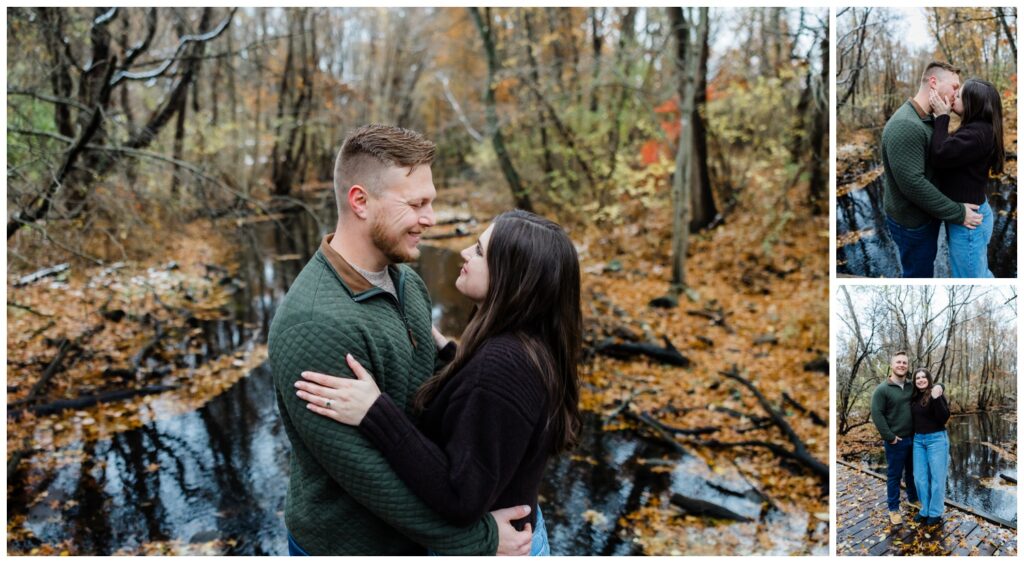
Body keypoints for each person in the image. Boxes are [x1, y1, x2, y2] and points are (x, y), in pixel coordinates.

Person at [269, 125, 532, 556]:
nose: (430, 219)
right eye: (417, 204)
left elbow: (428, 400)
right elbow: (367, 475)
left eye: (431, 202)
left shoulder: (406, 282)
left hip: (413, 538)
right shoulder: (314, 323)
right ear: (360, 201)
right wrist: (477, 539)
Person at [294, 209, 583, 557]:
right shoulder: (532, 342)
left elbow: (459, 496)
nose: (464, 253)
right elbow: (490, 409)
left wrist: (376, 413)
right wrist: (451, 353)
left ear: (512, 278)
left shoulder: (502, 367)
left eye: (478, 251)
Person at [880, 61, 983, 278]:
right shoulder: (905, 125)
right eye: (955, 87)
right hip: (912, 224)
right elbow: (913, 185)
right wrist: (957, 212)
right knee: (918, 275)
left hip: (927, 215)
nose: (957, 94)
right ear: (933, 83)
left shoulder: (926, 119)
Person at [928, 78, 1005, 278]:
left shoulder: (977, 134)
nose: (954, 96)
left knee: (970, 278)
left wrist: (942, 117)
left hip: (969, 223)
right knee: (978, 273)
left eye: (960, 95)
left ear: (973, 104)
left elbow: (940, 155)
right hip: (974, 213)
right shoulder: (981, 129)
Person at [870, 351, 920, 525]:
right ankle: (893, 508)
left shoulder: (911, 386)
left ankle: (912, 499)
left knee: (912, 474)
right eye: (898, 362)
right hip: (896, 441)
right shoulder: (882, 390)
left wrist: (940, 386)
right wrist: (890, 437)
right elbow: (877, 414)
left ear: (907, 366)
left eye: (904, 363)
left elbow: (929, 387)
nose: (901, 365)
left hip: (914, 440)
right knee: (894, 476)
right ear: (892, 365)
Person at [909, 368, 950, 526]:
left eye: (923, 377)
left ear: (929, 379)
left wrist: (937, 397)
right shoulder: (913, 397)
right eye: (917, 378)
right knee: (919, 478)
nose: (920, 380)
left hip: (937, 440)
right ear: (914, 381)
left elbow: (944, 418)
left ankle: (935, 512)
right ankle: (925, 509)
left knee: (937, 478)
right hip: (918, 441)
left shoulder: (935, 393)